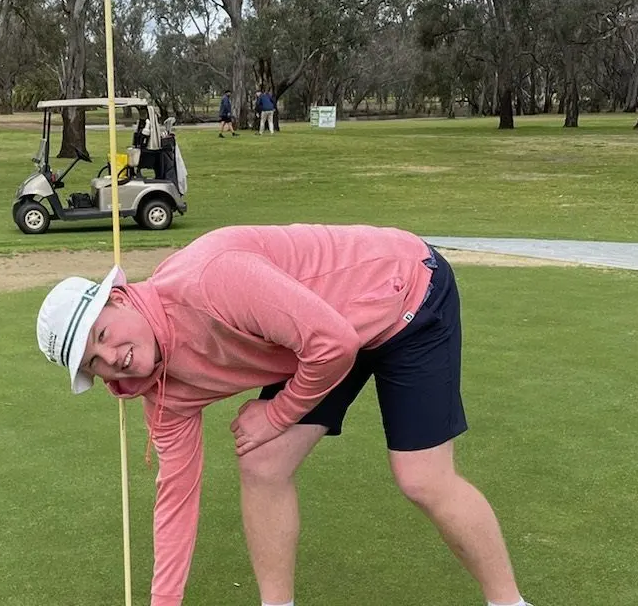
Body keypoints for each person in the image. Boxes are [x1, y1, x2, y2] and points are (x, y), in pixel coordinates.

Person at [35, 224, 533, 606]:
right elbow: (175, 501)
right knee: (262, 465)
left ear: (120, 298)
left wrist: (276, 415)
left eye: (103, 336)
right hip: (314, 332)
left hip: (405, 293)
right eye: (93, 364)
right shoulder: (160, 392)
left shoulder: (212, 280)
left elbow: (333, 344)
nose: (112, 358)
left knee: (422, 477)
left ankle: (510, 602)